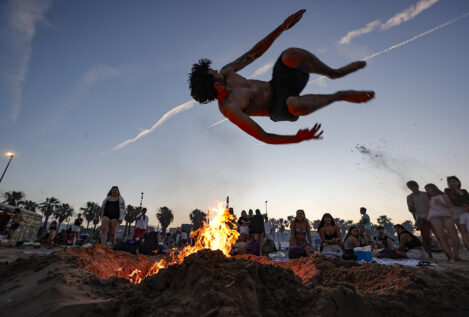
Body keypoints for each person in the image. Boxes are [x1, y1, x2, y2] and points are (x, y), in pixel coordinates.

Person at [188, 9, 374, 145]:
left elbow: (255, 53)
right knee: (295, 104)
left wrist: (282, 28)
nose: (216, 70)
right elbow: (263, 136)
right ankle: (341, 95)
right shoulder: (229, 108)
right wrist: (297, 138)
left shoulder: (227, 71)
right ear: (211, 82)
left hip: (278, 83)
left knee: (291, 54)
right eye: (212, 72)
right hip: (277, 107)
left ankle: (334, 73)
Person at [424, 183, 460, 263]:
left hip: (446, 216)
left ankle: (456, 255)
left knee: (455, 237)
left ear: (434, 188)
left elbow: (451, 207)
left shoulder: (444, 195)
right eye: (426, 189)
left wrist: (441, 203)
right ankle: (451, 257)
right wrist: (425, 218)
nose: (428, 191)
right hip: (434, 218)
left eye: (429, 188)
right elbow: (429, 210)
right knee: (442, 237)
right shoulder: (429, 199)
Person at [406, 180, 433, 259]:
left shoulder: (426, 194)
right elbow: (410, 208)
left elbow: (432, 204)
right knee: (425, 238)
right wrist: (411, 209)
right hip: (421, 219)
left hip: (432, 217)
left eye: (413, 186)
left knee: (439, 235)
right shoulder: (409, 197)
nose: (411, 188)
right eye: (409, 187)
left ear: (417, 186)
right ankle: (430, 256)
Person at [444, 176, 469, 251]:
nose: (452, 183)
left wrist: (467, 205)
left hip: (467, 211)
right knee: (463, 231)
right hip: (457, 211)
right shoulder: (448, 191)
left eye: (454, 181)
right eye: (450, 182)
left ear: (458, 182)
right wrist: (463, 204)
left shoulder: (464, 191)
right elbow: (452, 201)